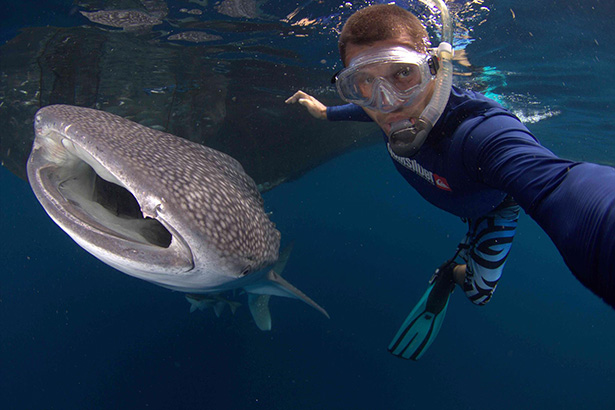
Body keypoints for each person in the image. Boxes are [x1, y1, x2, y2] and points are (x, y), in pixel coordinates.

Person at [285, 3, 615, 360]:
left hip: (494, 207)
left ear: (434, 67)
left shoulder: (480, 133)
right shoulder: (378, 107)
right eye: (362, 82)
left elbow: (557, 185)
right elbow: (362, 109)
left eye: (402, 74)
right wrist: (323, 112)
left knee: (479, 293)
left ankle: (450, 273)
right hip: (463, 194)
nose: (387, 104)